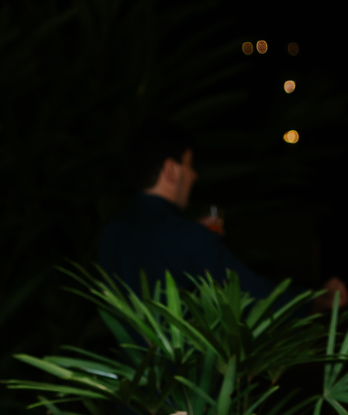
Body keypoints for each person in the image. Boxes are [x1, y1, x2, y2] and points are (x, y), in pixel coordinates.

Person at [98, 122, 273, 299]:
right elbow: (256, 297)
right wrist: (199, 239)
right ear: (171, 170)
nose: (194, 175)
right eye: (190, 165)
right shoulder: (189, 237)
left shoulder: (111, 231)